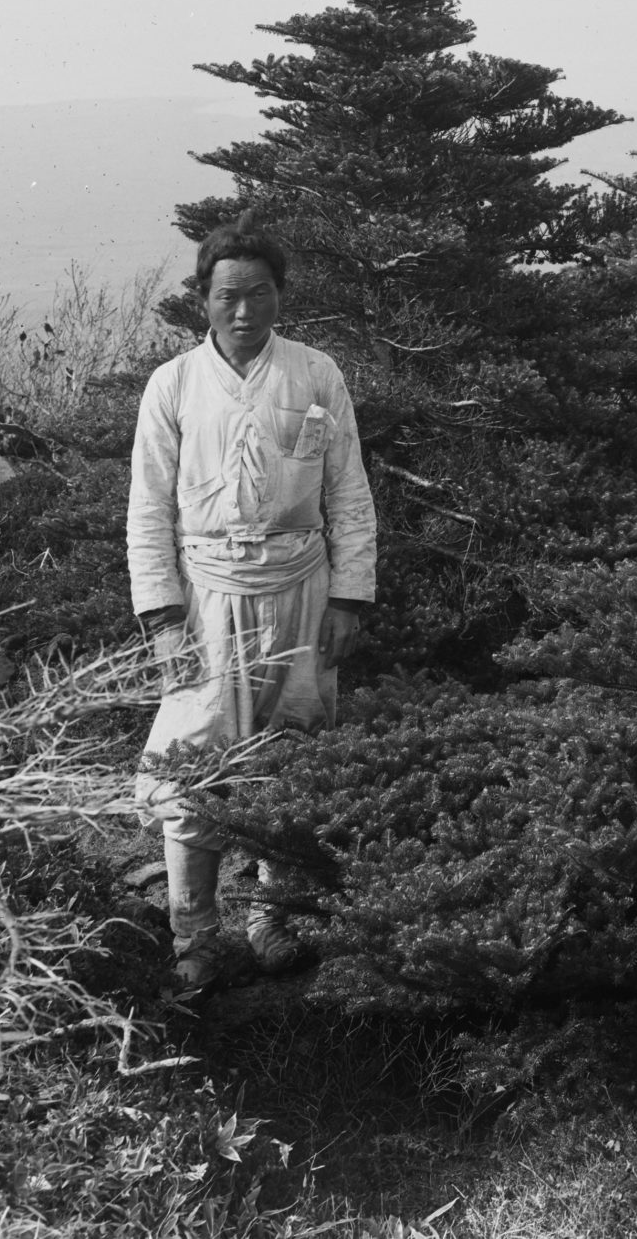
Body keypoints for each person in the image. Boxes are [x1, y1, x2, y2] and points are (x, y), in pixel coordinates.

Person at [126, 217, 377, 992]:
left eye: (259, 294)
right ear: (203, 299)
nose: (244, 312)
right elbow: (147, 511)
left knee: (291, 760)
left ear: (279, 296)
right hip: (205, 600)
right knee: (190, 770)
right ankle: (193, 937)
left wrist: (349, 598)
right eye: (228, 295)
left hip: (302, 592)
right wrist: (164, 622)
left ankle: (273, 919)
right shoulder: (173, 385)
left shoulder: (315, 374)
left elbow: (348, 493)